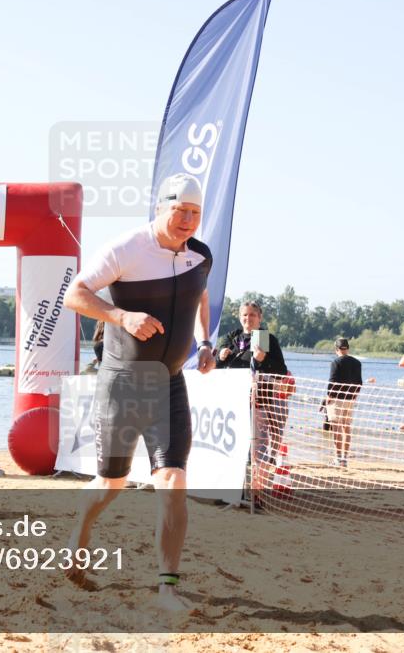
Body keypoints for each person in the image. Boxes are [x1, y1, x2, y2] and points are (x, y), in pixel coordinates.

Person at [61, 172, 215, 611]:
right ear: (160, 208)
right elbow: (75, 294)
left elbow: (202, 296)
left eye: (195, 213)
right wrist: (122, 316)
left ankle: (167, 587)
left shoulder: (200, 256)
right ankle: (81, 531)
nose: (187, 221)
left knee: (173, 480)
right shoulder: (125, 248)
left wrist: (205, 343)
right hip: (122, 385)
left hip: (169, 384)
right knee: (112, 482)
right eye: (179, 211)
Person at [215, 301, 288, 503]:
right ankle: (231, 491)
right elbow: (215, 366)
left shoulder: (266, 338)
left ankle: (257, 495)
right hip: (233, 402)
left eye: (252, 315)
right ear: (240, 317)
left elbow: (281, 371)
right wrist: (221, 356)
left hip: (259, 402)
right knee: (232, 447)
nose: (248, 319)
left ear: (260, 317)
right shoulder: (231, 338)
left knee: (258, 450)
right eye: (245, 315)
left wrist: (263, 359)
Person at [326, 338, 362, 467]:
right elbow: (359, 383)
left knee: (336, 429)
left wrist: (328, 397)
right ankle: (344, 459)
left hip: (337, 399)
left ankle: (337, 458)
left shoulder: (336, 362)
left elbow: (332, 382)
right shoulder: (357, 363)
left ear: (336, 349)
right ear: (347, 348)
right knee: (346, 428)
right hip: (350, 398)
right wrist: (354, 396)